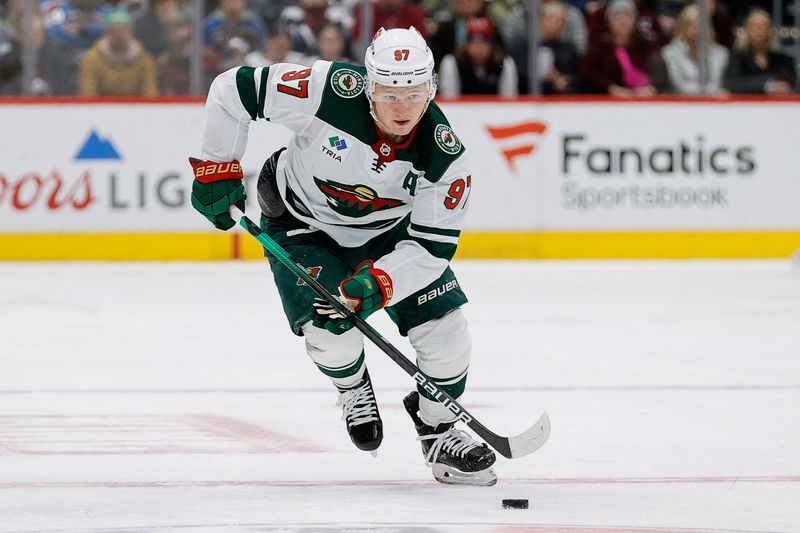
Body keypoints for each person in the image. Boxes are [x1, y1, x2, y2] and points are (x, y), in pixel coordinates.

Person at [188, 26, 498, 486]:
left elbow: (432, 248)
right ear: (368, 84)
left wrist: (377, 284)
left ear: (431, 89)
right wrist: (218, 165)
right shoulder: (328, 89)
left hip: (391, 236)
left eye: (413, 93)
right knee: (331, 334)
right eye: (389, 92)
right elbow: (231, 90)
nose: (401, 107)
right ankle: (352, 385)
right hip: (302, 224)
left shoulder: (444, 154)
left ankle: (437, 430)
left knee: (449, 338)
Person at [580, 0, 666, 95]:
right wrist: (610, 88)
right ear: (609, 21)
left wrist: (651, 88)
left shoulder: (645, 44)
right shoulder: (600, 45)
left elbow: (659, 68)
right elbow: (587, 71)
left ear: (635, 21)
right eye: (617, 17)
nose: (622, 21)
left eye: (627, 17)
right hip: (607, 98)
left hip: (643, 97)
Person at [78, 8, 158, 96]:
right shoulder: (91, 59)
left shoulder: (144, 59)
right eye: (113, 31)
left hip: (135, 108)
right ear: (105, 33)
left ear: (131, 33)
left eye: (123, 31)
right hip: (102, 108)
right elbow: (88, 94)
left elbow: (150, 95)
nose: (118, 36)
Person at [438, 16, 518, 97]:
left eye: (484, 41)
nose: (478, 47)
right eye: (473, 41)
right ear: (466, 44)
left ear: (491, 45)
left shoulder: (504, 63)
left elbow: (509, 100)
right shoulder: (452, 62)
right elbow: (449, 99)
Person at [724, 8, 796, 95]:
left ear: (770, 31)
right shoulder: (737, 58)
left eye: (764, 26)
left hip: (778, 106)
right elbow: (732, 84)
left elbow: (791, 82)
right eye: (756, 27)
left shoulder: (782, 60)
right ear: (747, 30)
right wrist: (768, 85)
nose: (760, 31)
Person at [661, 4, 729, 95]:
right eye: (690, 24)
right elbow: (679, 85)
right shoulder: (669, 53)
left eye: (701, 24)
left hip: (713, 105)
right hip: (683, 104)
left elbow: (716, 82)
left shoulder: (720, 53)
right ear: (682, 27)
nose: (696, 29)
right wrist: (712, 92)